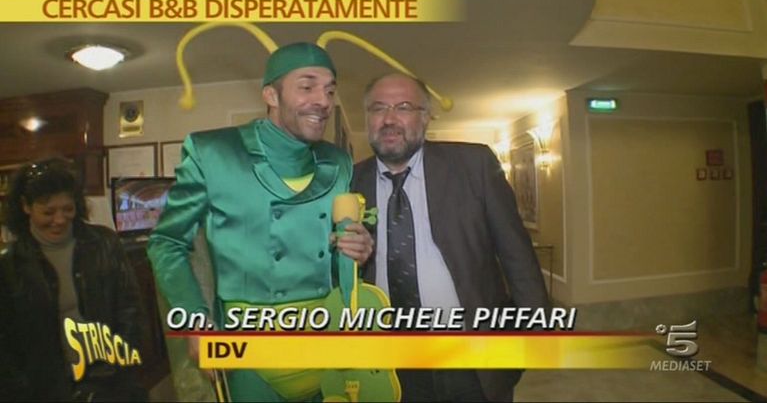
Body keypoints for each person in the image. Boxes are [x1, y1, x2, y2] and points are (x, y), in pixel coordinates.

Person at [147, 42, 374, 402]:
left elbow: (331, 258)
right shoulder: (212, 152)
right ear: (270, 95)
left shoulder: (338, 162)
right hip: (250, 358)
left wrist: (356, 248)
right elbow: (166, 242)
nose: (324, 101)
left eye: (330, 90)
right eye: (307, 86)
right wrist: (196, 322)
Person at [352, 73, 550, 402]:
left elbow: (518, 256)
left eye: (404, 107)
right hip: (391, 364)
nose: (389, 119)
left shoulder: (474, 165)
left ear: (426, 117)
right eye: (378, 108)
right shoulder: (350, 181)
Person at [0, 158, 146, 401]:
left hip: (110, 383)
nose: (59, 219)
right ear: (26, 206)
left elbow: (131, 313)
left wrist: (115, 369)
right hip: (45, 391)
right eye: (48, 212)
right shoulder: (9, 265)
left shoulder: (104, 244)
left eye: (67, 209)